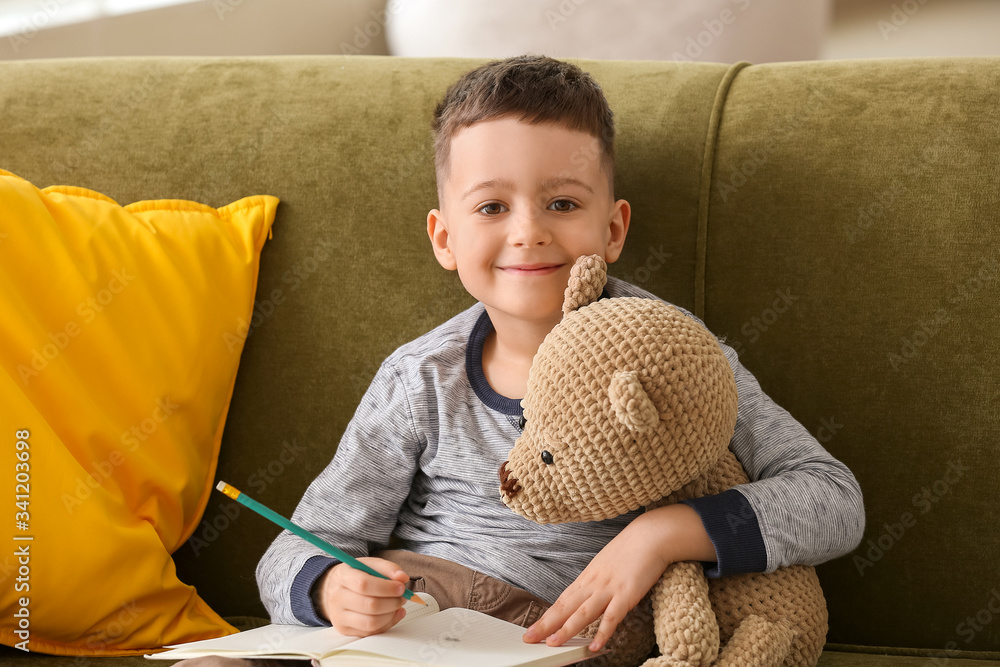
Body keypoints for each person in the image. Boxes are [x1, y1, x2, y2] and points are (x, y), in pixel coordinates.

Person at [255, 53, 865, 658]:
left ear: (614, 230)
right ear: (446, 239)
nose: (529, 232)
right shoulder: (420, 378)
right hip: (426, 614)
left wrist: (662, 535)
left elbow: (833, 500)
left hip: (568, 641)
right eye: (492, 207)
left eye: (564, 204)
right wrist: (332, 586)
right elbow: (294, 550)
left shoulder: (678, 357)